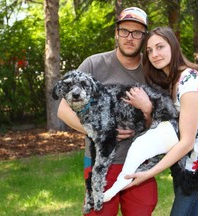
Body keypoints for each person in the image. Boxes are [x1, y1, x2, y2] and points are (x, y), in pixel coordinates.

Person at [57, 7, 158, 216]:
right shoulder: (94, 64)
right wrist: (97, 131)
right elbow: (63, 109)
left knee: (142, 211)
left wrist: (147, 110)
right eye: (124, 31)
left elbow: (161, 121)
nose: (130, 38)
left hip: (140, 162)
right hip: (100, 161)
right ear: (116, 33)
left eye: (137, 32)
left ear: (144, 37)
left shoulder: (152, 71)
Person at [123, 27, 198, 215]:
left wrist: (149, 173)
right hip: (184, 165)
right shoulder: (174, 80)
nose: (154, 54)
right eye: (149, 50)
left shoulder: (190, 82)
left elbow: (187, 142)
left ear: (173, 46)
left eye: (160, 47)